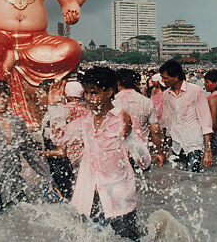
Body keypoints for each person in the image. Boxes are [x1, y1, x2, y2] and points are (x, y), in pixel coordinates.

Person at [57, 67, 149, 241]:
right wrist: (54, 107)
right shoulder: (85, 121)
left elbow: (145, 162)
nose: (89, 99)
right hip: (89, 198)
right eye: (87, 93)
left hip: (119, 200)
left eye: (95, 93)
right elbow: (58, 139)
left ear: (109, 92)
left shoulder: (124, 120)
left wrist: (129, 138)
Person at [0, 80, 59, 213]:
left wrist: (47, 178)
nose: (0, 101)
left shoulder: (18, 123)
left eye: (3, 97)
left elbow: (30, 154)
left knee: (23, 218)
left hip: (14, 183)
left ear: (9, 98)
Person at [160, 60, 213, 172]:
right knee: (178, 177)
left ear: (175, 77)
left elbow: (205, 120)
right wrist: (165, 149)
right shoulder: (166, 95)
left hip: (194, 142)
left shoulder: (195, 90)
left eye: (165, 78)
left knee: (193, 175)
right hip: (177, 143)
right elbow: (168, 120)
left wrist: (208, 150)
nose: (162, 81)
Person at [114, 69, 165, 166]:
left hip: (120, 152)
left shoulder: (113, 102)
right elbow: (155, 131)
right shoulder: (147, 102)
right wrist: (159, 152)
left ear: (118, 83)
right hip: (141, 151)